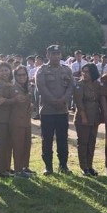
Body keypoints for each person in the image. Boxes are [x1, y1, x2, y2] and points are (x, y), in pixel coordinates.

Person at [35, 45, 74, 175]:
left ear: (61, 55)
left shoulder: (67, 70)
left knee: (63, 139)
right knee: (47, 139)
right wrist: (53, 101)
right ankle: (48, 167)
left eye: (58, 54)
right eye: (52, 54)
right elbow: (41, 88)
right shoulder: (42, 70)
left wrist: (63, 100)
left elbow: (71, 87)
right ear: (47, 55)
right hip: (47, 111)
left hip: (62, 111)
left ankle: (63, 166)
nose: (55, 56)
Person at [73, 63, 102, 176]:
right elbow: (79, 103)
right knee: (83, 142)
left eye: (87, 72)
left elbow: (100, 99)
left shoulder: (97, 84)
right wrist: (84, 117)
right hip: (83, 117)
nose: (84, 74)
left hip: (94, 116)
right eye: (83, 71)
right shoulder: (79, 85)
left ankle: (90, 165)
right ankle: (84, 167)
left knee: (92, 142)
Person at [7, 66, 33, 177]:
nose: (22, 77)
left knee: (27, 145)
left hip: (26, 120)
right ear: (15, 76)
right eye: (19, 75)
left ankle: (24, 167)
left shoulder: (26, 87)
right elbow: (21, 100)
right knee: (18, 146)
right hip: (17, 120)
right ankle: (18, 170)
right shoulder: (14, 88)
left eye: (24, 75)